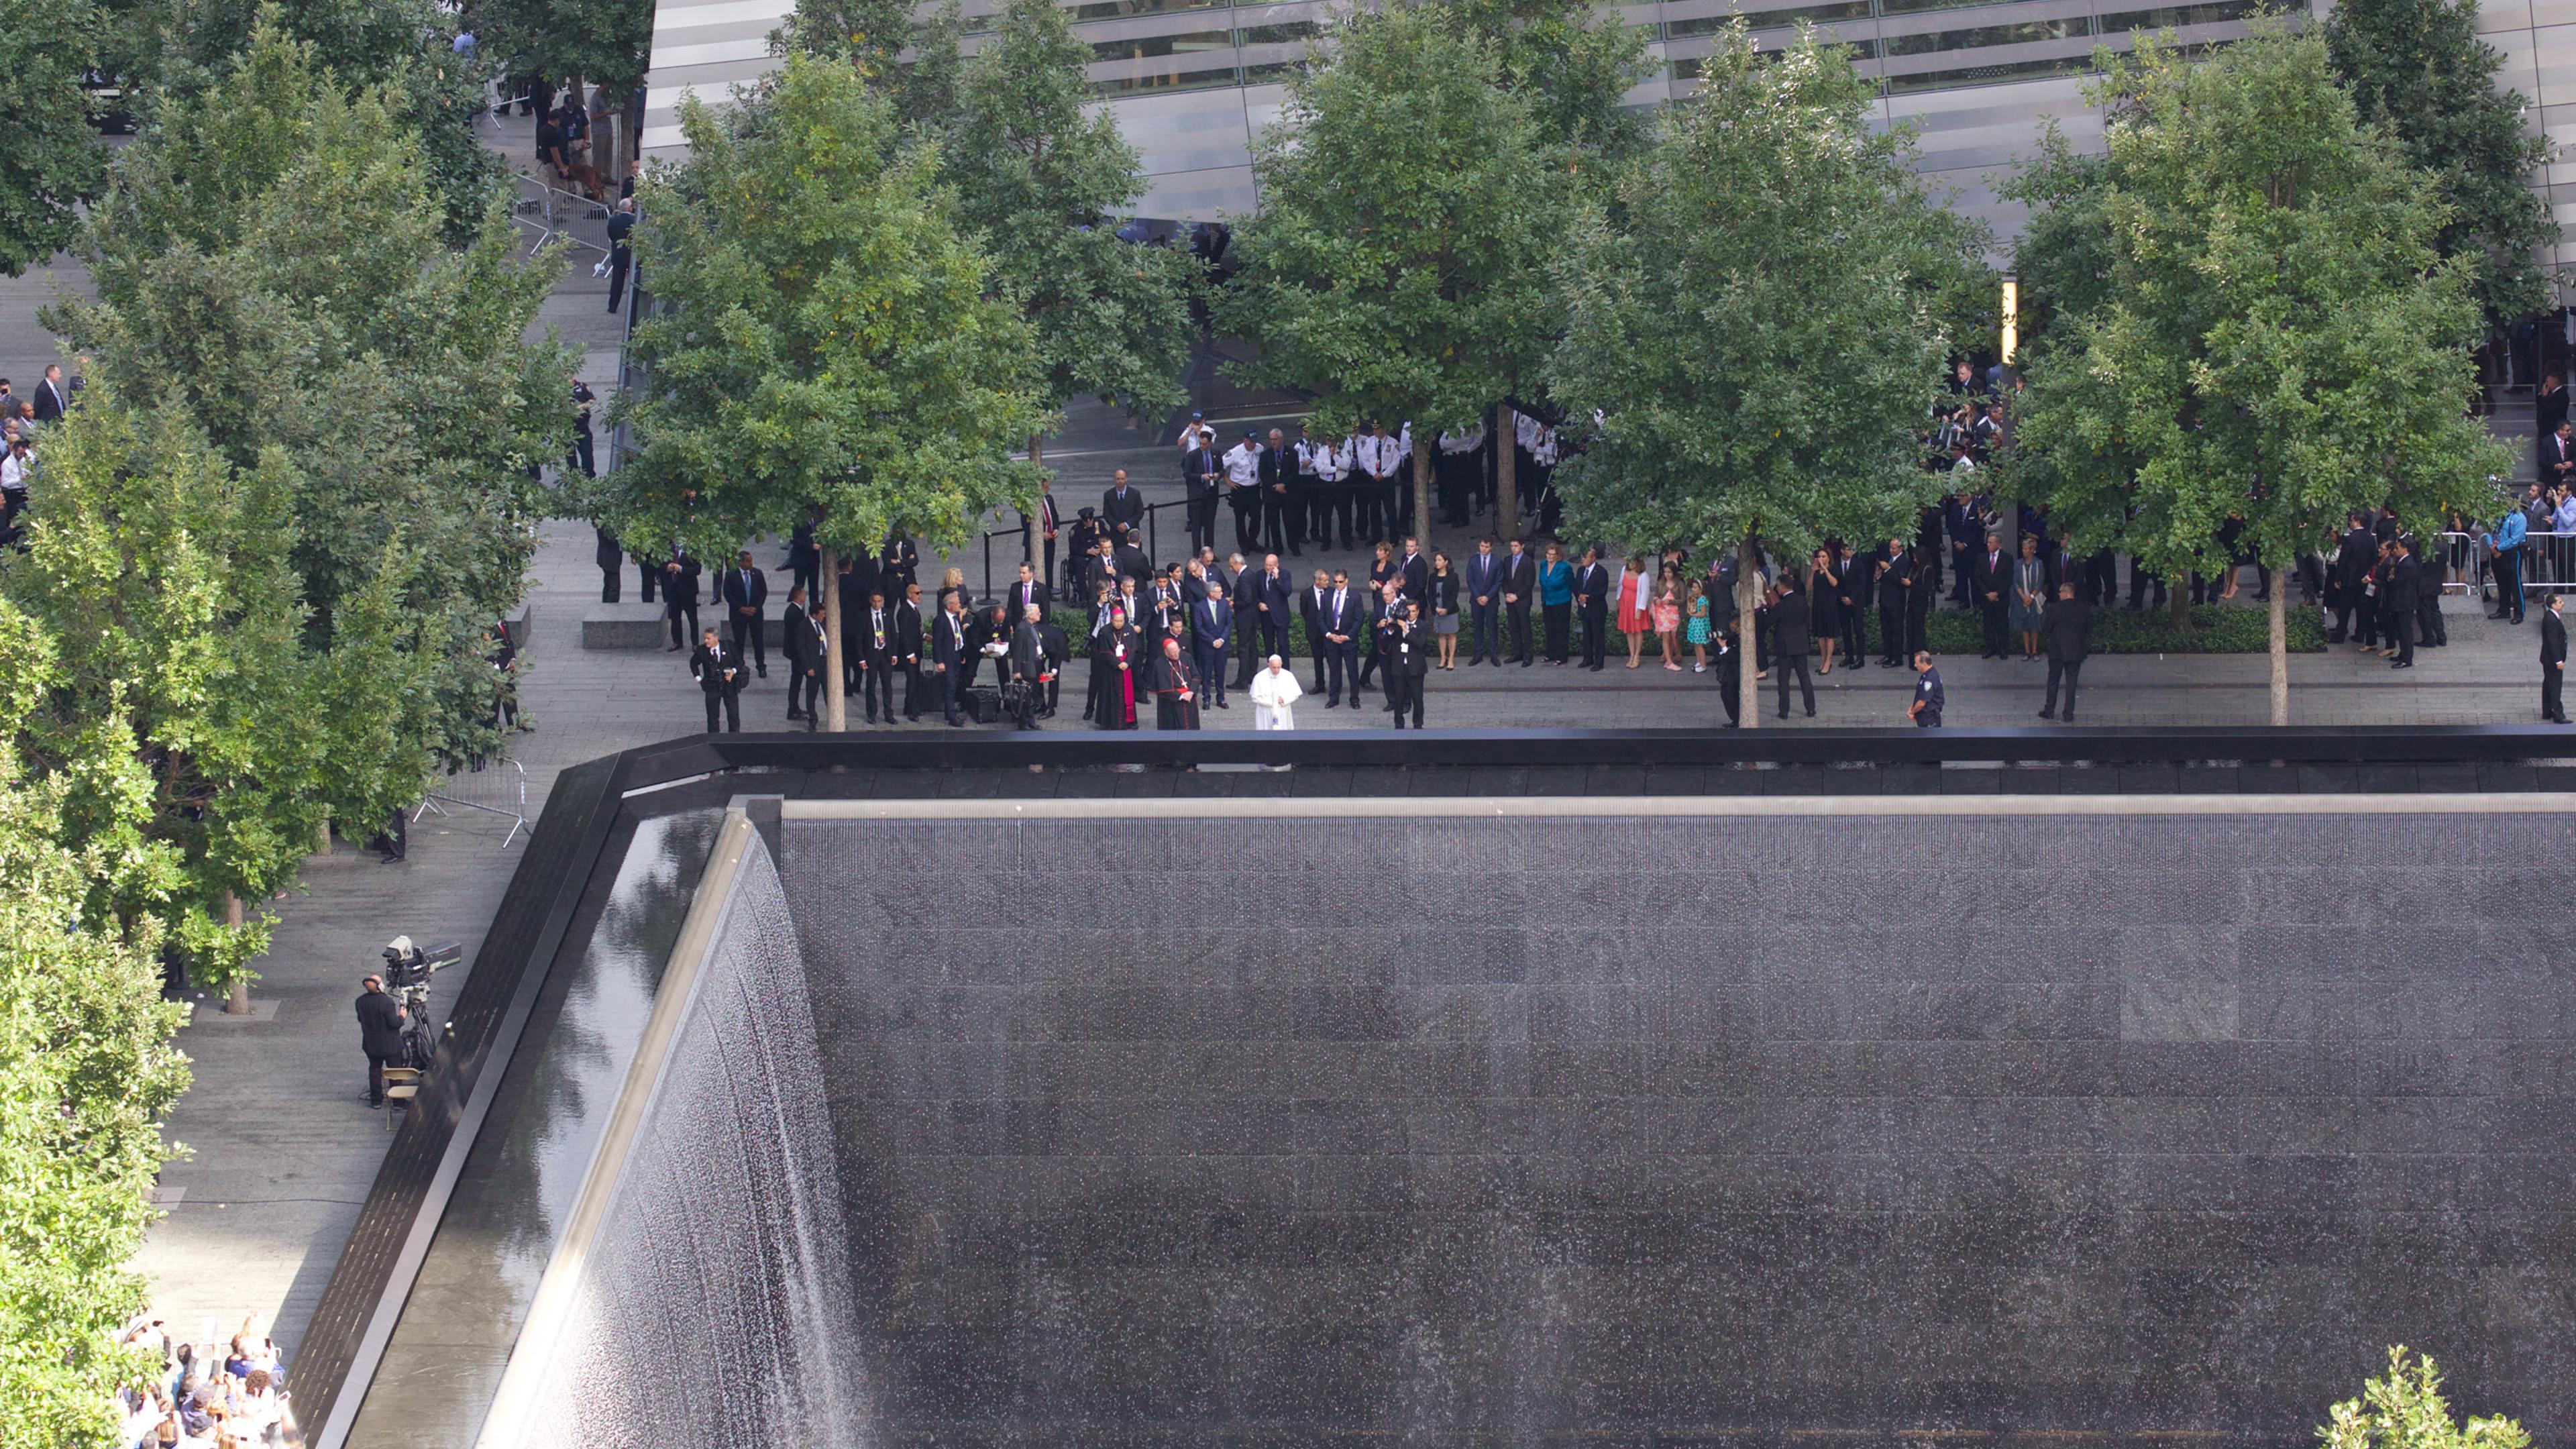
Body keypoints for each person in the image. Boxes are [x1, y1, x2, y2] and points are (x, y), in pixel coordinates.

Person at [2037, 582, 2092, 721]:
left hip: (2057, 650)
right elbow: (2089, 629)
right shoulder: (2083, 609)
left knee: (2053, 680)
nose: (2059, 594)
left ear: (2066, 593)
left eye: (2060, 592)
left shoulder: (2054, 609)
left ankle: (2049, 710)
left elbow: (2046, 628)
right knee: (2072, 682)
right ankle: (2068, 713)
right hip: (2076, 650)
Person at [355, 975, 407, 1108]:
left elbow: (361, 1020)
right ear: (380, 986)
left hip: (371, 1044)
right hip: (390, 1045)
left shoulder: (360, 1001)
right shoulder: (386, 1002)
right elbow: (394, 1024)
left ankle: (376, 1100)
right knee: (395, 1072)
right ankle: (398, 1101)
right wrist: (402, 1017)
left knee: (374, 1070)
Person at [719, 549, 769, 678]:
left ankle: (761, 666)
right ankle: (739, 666)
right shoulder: (731, 575)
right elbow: (728, 594)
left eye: (751, 560)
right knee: (739, 642)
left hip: (755, 614)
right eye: (747, 561)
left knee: (758, 641)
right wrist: (741, 608)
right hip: (738, 614)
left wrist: (756, 608)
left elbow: (763, 592)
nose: (750, 563)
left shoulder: (757, 574)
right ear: (740, 562)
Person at [1772, 573, 1815, 718]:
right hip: (1801, 643)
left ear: (1783, 587)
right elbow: (1807, 621)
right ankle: (1811, 709)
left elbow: (1772, 622)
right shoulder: (1802, 601)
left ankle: (1784, 711)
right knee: (1804, 677)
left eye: (1778, 586)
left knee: (1784, 680)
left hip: (1785, 646)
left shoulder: (1780, 606)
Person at [1317, 570, 1364, 707]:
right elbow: (1321, 618)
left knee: (1352, 670)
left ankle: (1354, 698)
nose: (1338, 585)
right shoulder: (1327, 596)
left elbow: (1359, 619)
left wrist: (1348, 636)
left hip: (1348, 639)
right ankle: (1334, 698)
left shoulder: (1355, 596)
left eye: (1340, 582)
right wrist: (1328, 634)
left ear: (1347, 581)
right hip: (1332, 638)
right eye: (1336, 582)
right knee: (1334, 670)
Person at [1094, 606, 1140, 729]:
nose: (1119, 623)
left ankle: (1129, 721)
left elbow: (1134, 648)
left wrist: (1127, 662)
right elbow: (1104, 651)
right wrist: (1117, 663)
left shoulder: (1129, 630)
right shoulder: (1105, 631)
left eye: (1121, 621)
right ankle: (1108, 722)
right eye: (1117, 621)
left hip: (1126, 668)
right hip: (1111, 670)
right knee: (1110, 694)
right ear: (1112, 620)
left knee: (1127, 695)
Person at [690, 627, 743, 732]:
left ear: (716, 638)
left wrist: (733, 671)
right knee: (712, 716)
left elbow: (740, 662)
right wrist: (699, 678)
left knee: (733, 715)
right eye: (705, 638)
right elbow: (693, 663)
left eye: (708, 638)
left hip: (729, 685)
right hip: (712, 687)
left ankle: (735, 738)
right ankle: (714, 738)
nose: (706, 641)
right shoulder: (702, 651)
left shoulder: (729, 646)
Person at [1387, 600, 1428, 728]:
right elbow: (1388, 642)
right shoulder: (1397, 624)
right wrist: (1390, 627)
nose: (1410, 614)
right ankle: (1398, 725)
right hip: (1399, 667)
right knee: (1398, 698)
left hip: (1415, 668)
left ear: (1418, 612)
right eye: (1408, 611)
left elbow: (1420, 644)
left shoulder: (1423, 625)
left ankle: (1418, 724)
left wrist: (1406, 630)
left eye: (1413, 611)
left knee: (1417, 699)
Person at [1007, 604, 1049, 729]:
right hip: (1027, 667)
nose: (1040, 614)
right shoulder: (1022, 629)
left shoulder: (1032, 626)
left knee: (1032, 695)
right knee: (1025, 696)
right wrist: (1017, 671)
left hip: (1035, 664)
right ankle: (1023, 723)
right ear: (1030, 615)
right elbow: (1017, 651)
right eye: (1038, 612)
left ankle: (1031, 721)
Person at [1193, 584, 1234, 709]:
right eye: (1219, 591)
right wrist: (1212, 641)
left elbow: (1229, 623)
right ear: (1211, 593)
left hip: (1222, 644)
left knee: (1220, 673)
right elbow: (1198, 627)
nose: (1222, 594)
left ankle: (1221, 698)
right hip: (1207, 645)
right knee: (1206, 673)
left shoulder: (1224, 605)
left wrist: (1221, 639)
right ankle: (1206, 698)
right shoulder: (1199, 607)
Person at [1465, 537, 1504, 665]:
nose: (1484, 549)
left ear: (1491, 547)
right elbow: (1470, 580)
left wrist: (1488, 596)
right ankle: (1478, 654)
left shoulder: (1497, 561)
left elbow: (1498, 582)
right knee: (1478, 627)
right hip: (1476, 600)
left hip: (1491, 600)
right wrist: (1478, 596)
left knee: (1492, 626)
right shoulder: (1473, 560)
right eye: (1482, 546)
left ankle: (1494, 654)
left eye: (1486, 547)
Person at [782, 586, 818, 722]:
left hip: (795, 652)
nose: (805, 595)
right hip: (797, 653)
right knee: (796, 681)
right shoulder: (794, 612)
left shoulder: (794, 610)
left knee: (796, 680)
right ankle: (793, 709)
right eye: (803, 594)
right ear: (798, 596)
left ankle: (794, 707)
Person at [2010, 535, 2047, 661]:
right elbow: (2015, 582)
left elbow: (2041, 582)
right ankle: (2026, 651)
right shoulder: (2018, 563)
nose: (2024, 551)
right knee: (2024, 627)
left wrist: (2031, 597)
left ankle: (2035, 651)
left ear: (2032, 550)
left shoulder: (2039, 563)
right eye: (2023, 548)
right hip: (2022, 599)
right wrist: (2023, 597)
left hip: (2034, 599)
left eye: (2027, 549)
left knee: (2034, 626)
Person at [1973, 533, 2010, 659]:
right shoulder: (1982, 558)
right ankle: (1990, 647)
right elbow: (1978, 577)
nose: (1988, 545)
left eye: (1991, 542)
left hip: (2001, 597)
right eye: (1988, 542)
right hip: (1987, 597)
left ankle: (2003, 649)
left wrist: (1998, 593)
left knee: (2002, 624)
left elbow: (2008, 579)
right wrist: (1987, 593)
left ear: (1998, 544)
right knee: (1988, 624)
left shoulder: (2007, 558)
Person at [1151, 637, 1201, 729]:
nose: (1176, 654)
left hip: (1190, 697)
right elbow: (1163, 687)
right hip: (1172, 704)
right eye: (1173, 653)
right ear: (1166, 653)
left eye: (1177, 651)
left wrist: (1191, 692)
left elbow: (1196, 676)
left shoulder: (1186, 657)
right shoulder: (1160, 664)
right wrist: (1181, 696)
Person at [2489, 504, 2528, 623]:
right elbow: (2489, 531)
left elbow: (2516, 538)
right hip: (2496, 551)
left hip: (2511, 552)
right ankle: (2503, 610)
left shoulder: (2520, 518)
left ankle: (2519, 613)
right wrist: (2492, 547)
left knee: (2514, 583)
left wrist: (2499, 548)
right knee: (2501, 582)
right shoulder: (2498, 515)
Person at [1575, 547, 1611, 670]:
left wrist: (1588, 598)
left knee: (1598, 636)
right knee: (1587, 635)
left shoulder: (1601, 572)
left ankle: (1599, 662)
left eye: (1586, 557)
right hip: (1584, 608)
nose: (1583, 560)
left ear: (1593, 558)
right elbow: (1576, 586)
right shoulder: (1580, 571)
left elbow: (1602, 591)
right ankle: (1587, 658)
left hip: (1597, 609)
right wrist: (1579, 596)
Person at [1250, 653, 1303, 731]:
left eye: (1278, 667)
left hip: (1282, 710)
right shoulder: (1260, 677)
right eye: (1274, 667)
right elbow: (1255, 698)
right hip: (1266, 711)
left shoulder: (1288, 675)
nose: (1276, 670)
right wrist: (1273, 702)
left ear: (1281, 664)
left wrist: (1284, 699)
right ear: (1269, 665)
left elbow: (1295, 694)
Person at [1430, 551, 1462, 668]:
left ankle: (1451, 659)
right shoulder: (1433, 577)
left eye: (1440, 560)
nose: (1437, 563)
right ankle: (1443, 658)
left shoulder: (1453, 576)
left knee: (1452, 634)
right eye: (1436, 560)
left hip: (1450, 609)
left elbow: (1454, 595)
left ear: (1446, 562)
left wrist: (1447, 608)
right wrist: (1435, 607)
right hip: (1437, 607)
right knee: (1441, 634)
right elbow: (1430, 594)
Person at [662, 555, 700, 651]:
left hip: (688, 590)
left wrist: (681, 569)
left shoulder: (692, 550)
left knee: (692, 618)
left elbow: (697, 570)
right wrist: (667, 568)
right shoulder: (669, 549)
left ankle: (695, 643)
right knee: (675, 617)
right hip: (673, 590)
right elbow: (660, 567)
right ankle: (677, 642)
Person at [605, 198, 636, 312]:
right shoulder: (634, 221)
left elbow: (611, 236)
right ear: (629, 208)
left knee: (617, 282)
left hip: (618, 254)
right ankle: (633, 307)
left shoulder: (613, 220)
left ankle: (612, 306)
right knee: (634, 280)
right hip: (631, 255)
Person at [2546, 592, 2569, 722]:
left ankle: (2547, 711)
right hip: (2552, 659)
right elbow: (2553, 642)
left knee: (2549, 683)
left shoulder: (2552, 617)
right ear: (2553, 605)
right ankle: (2558, 714)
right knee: (2555, 685)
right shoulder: (2551, 620)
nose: (2562, 604)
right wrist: (2558, 660)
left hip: (2548, 658)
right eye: (2560, 602)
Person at [1909, 651, 1944, 727]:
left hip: (1929, 718)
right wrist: (1912, 707)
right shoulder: (1928, 674)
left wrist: (1912, 712)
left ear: (1924, 664)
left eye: (1917, 663)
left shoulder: (1929, 679)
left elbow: (1922, 703)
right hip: (1928, 716)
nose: (1915, 665)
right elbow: (1920, 695)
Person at [1684, 578, 1711, 672]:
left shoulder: (1703, 599)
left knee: (1699, 645)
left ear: (1701, 589)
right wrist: (1689, 604)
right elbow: (1691, 609)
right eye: (1693, 587)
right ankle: (1699, 661)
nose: (1693, 589)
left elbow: (1703, 613)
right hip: (1694, 623)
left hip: (1700, 624)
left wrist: (1693, 615)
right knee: (1696, 644)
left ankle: (1703, 665)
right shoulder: (1694, 599)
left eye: (1695, 587)